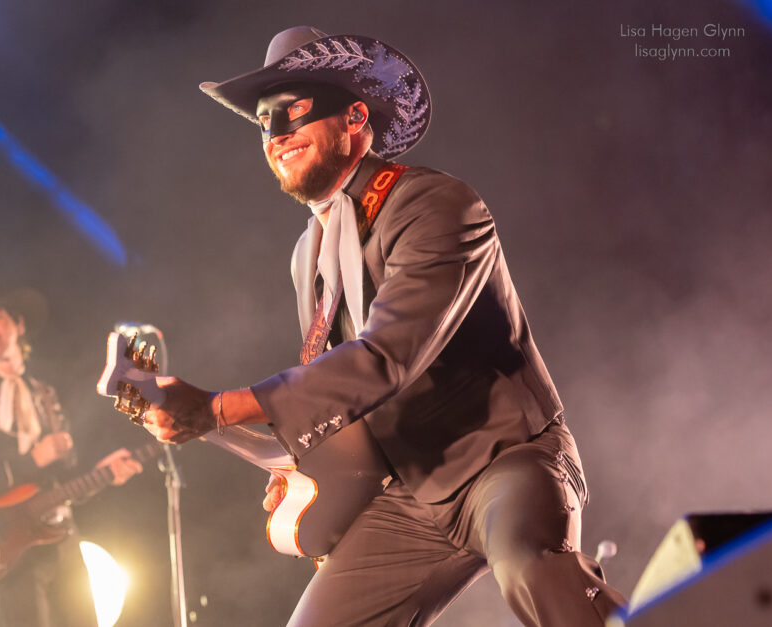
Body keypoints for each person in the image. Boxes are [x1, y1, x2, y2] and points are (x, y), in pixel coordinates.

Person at [140, 26, 627, 626]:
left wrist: (219, 409)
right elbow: (344, 395)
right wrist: (307, 472)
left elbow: (386, 357)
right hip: (411, 493)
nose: (275, 134)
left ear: (354, 118)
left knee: (535, 569)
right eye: (263, 121)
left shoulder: (438, 205)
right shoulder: (307, 254)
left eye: (292, 112)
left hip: (508, 459)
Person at [0, 278, 142, 627]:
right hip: (7, 546)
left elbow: (61, 483)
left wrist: (102, 474)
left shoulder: (47, 395)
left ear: (18, 324)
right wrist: (30, 460)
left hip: (61, 539)